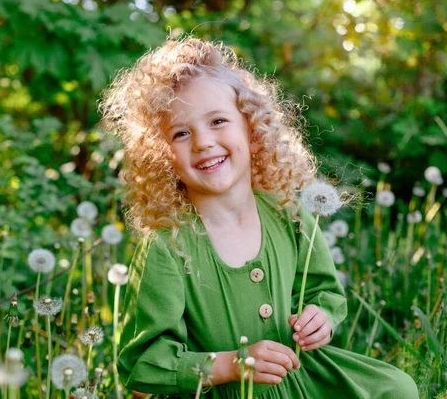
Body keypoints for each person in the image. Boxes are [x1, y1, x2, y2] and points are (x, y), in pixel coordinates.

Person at [100, 37, 419, 398]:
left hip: (297, 375)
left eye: (218, 121)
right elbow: (141, 363)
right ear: (161, 156)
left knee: (397, 388)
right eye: (181, 132)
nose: (203, 142)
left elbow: (323, 289)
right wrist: (226, 365)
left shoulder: (288, 214)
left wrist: (321, 318)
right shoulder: (168, 246)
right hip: (224, 390)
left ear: (251, 131)